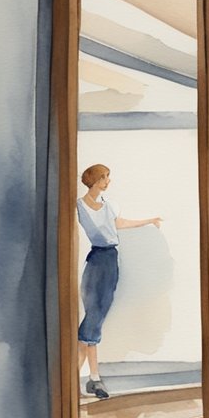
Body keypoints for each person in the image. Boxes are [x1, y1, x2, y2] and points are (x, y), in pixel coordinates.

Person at [75, 163, 162, 399]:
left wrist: (147, 220)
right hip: (96, 261)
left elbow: (119, 225)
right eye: (104, 178)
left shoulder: (109, 205)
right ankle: (82, 379)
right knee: (93, 318)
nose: (107, 182)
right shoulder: (79, 205)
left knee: (96, 317)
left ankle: (92, 379)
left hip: (110, 260)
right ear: (94, 180)